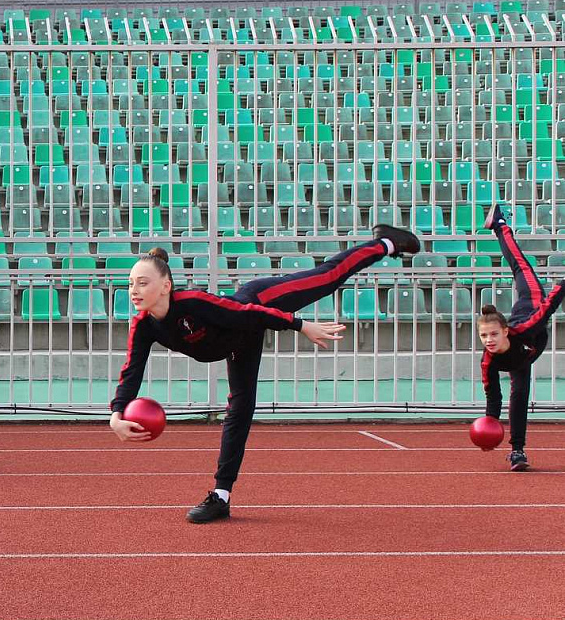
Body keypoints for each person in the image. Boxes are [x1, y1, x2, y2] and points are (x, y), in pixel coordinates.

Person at [110, 224, 422, 523]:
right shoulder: (143, 326)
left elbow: (248, 313)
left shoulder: (192, 302)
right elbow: (131, 372)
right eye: (130, 283)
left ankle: (386, 243)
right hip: (237, 347)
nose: (134, 290)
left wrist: (300, 325)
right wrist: (116, 415)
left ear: (165, 286)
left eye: (143, 282)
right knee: (240, 411)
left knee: (326, 277)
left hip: (261, 302)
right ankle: (221, 496)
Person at [477, 204, 565, 471]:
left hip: (532, 303)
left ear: (504, 332)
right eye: (483, 336)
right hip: (521, 360)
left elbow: (551, 303)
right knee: (519, 395)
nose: (489, 340)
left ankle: (500, 224)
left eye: (493, 334)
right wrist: (489, 426)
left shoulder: (526, 328)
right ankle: (517, 452)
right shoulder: (488, 362)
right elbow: (494, 398)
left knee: (519, 265)